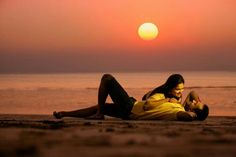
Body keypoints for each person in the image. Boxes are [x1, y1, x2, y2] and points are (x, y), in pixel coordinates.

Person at [53, 74, 209, 121]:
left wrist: (194, 114)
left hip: (130, 108)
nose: (180, 92)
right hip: (131, 108)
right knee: (99, 107)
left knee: (107, 79)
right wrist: (198, 103)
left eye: (196, 104)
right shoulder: (178, 100)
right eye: (178, 89)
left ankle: (100, 114)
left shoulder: (176, 109)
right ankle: (65, 114)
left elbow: (148, 105)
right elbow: (193, 93)